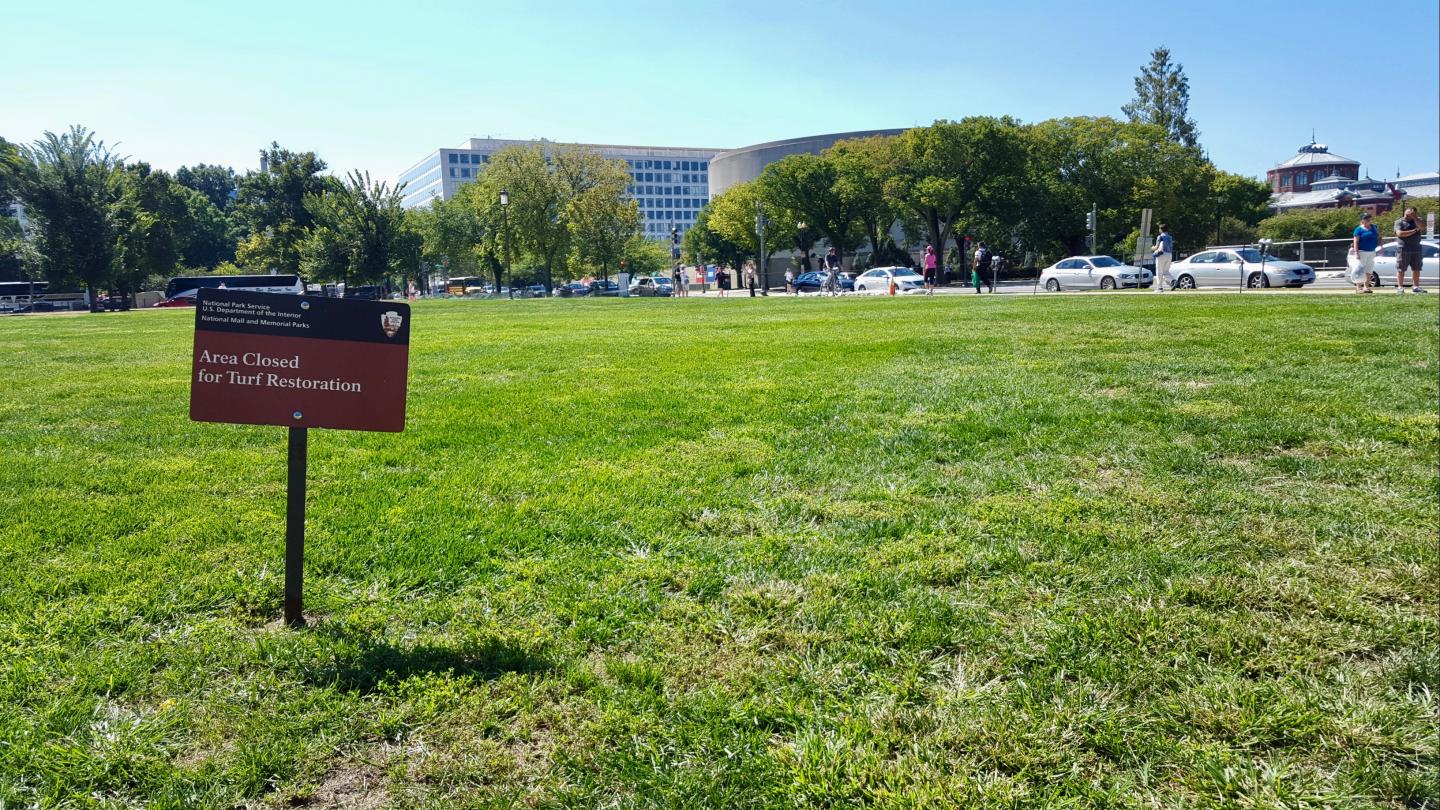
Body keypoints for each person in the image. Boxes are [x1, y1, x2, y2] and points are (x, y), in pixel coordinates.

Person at [1394, 206, 1426, 294]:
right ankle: (1400, 287)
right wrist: (1415, 231)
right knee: (1401, 268)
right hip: (1403, 247)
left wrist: (1414, 217)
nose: (1409, 214)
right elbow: (1400, 234)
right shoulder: (1399, 222)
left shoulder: (1417, 220)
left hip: (1416, 247)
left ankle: (1416, 286)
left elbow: (1422, 226)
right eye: (1408, 212)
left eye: (1412, 213)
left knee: (1416, 268)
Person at [1349, 212, 1379, 294]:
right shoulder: (1359, 229)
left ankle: (1366, 286)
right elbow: (1355, 241)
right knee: (1360, 269)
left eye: (1369, 218)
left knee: (1369, 269)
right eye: (1366, 218)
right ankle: (1358, 287)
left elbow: (1378, 236)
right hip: (1362, 252)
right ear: (1362, 220)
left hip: (1371, 251)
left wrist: (1381, 246)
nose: (1368, 220)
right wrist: (1356, 252)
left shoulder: (1374, 227)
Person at [1153, 224, 1174, 292]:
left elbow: (1156, 247)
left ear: (1161, 229)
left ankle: (1159, 288)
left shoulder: (1160, 237)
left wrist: (1152, 248)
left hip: (1161, 254)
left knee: (1159, 271)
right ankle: (1173, 281)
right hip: (1169, 254)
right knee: (1165, 271)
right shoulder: (1170, 237)